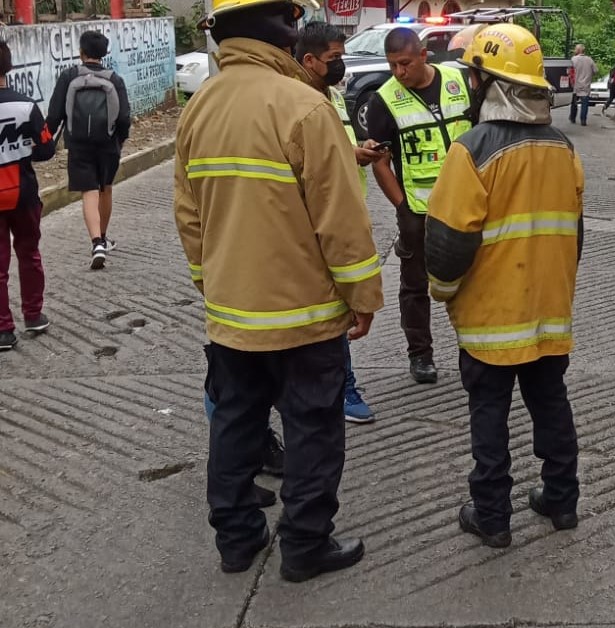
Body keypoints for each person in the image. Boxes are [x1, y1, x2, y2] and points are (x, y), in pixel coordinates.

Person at [176, 0, 384, 582]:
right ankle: (305, 546)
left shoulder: (198, 110)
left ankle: (237, 542)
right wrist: (363, 296)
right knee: (313, 428)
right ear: (280, 29)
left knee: (235, 426)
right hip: (305, 318)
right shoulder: (304, 107)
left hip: (232, 318)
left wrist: (210, 281)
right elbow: (342, 221)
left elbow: (188, 215)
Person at [425, 23, 585, 549]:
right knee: (551, 404)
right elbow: (574, 235)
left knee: (489, 416)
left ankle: (492, 515)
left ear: (483, 80)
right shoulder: (563, 149)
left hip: (491, 321)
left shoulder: (471, 150)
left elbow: (448, 243)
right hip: (548, 314)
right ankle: (562, 500)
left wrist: (442, 292)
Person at [366, 27, 472, 384]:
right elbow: (380, 162)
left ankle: (474, 351)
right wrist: (402, 209)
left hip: (466, 206)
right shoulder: (384, 100)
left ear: (424, 55)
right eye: (392, 65)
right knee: (415, 287)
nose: (399, 72)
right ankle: (420, 355)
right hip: (418, 211)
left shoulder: (460, 82)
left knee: (472, 279)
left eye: (405, 64)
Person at [296, 20, 388, 422]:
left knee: (336, 309)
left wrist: (359, 149)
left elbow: (337, 147)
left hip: (347, 209)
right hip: (317, 223)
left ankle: (340, 385)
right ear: (309, 60)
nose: (341, 65)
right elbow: (316, 158)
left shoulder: (330, 95)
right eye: (334, 58)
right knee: (332, 310)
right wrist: (350, 154)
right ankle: (341, 389)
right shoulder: (299, 103)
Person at [45, 30, 131, 270]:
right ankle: (103, 238)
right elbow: (124, 117)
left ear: (81, 53)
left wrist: (44, 139)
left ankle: (96, 244)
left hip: (79, 144)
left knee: (89, 192)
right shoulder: (114, 79)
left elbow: (54, 115)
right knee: (105, 189)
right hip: (108, 143)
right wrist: (120, 140)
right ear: (103, 54)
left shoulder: (68, 76)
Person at [0, 37, 56, 351]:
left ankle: (3, 330)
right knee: (29, 256)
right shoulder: (25, 105)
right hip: (24, 194)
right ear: (8, 65)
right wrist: (22, 152)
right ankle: (33, 315)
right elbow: (47, 148)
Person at [568, 43, 596, 126]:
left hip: (575, 85)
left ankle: (572, 118)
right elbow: (595, 70)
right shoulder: (589, 60)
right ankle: (583, 120)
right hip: (586, 85)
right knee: (585, 104)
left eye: (575, 49)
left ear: (578, 50)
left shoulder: (573, 59)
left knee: (574, 103)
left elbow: (568, 71)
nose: (574, 50)